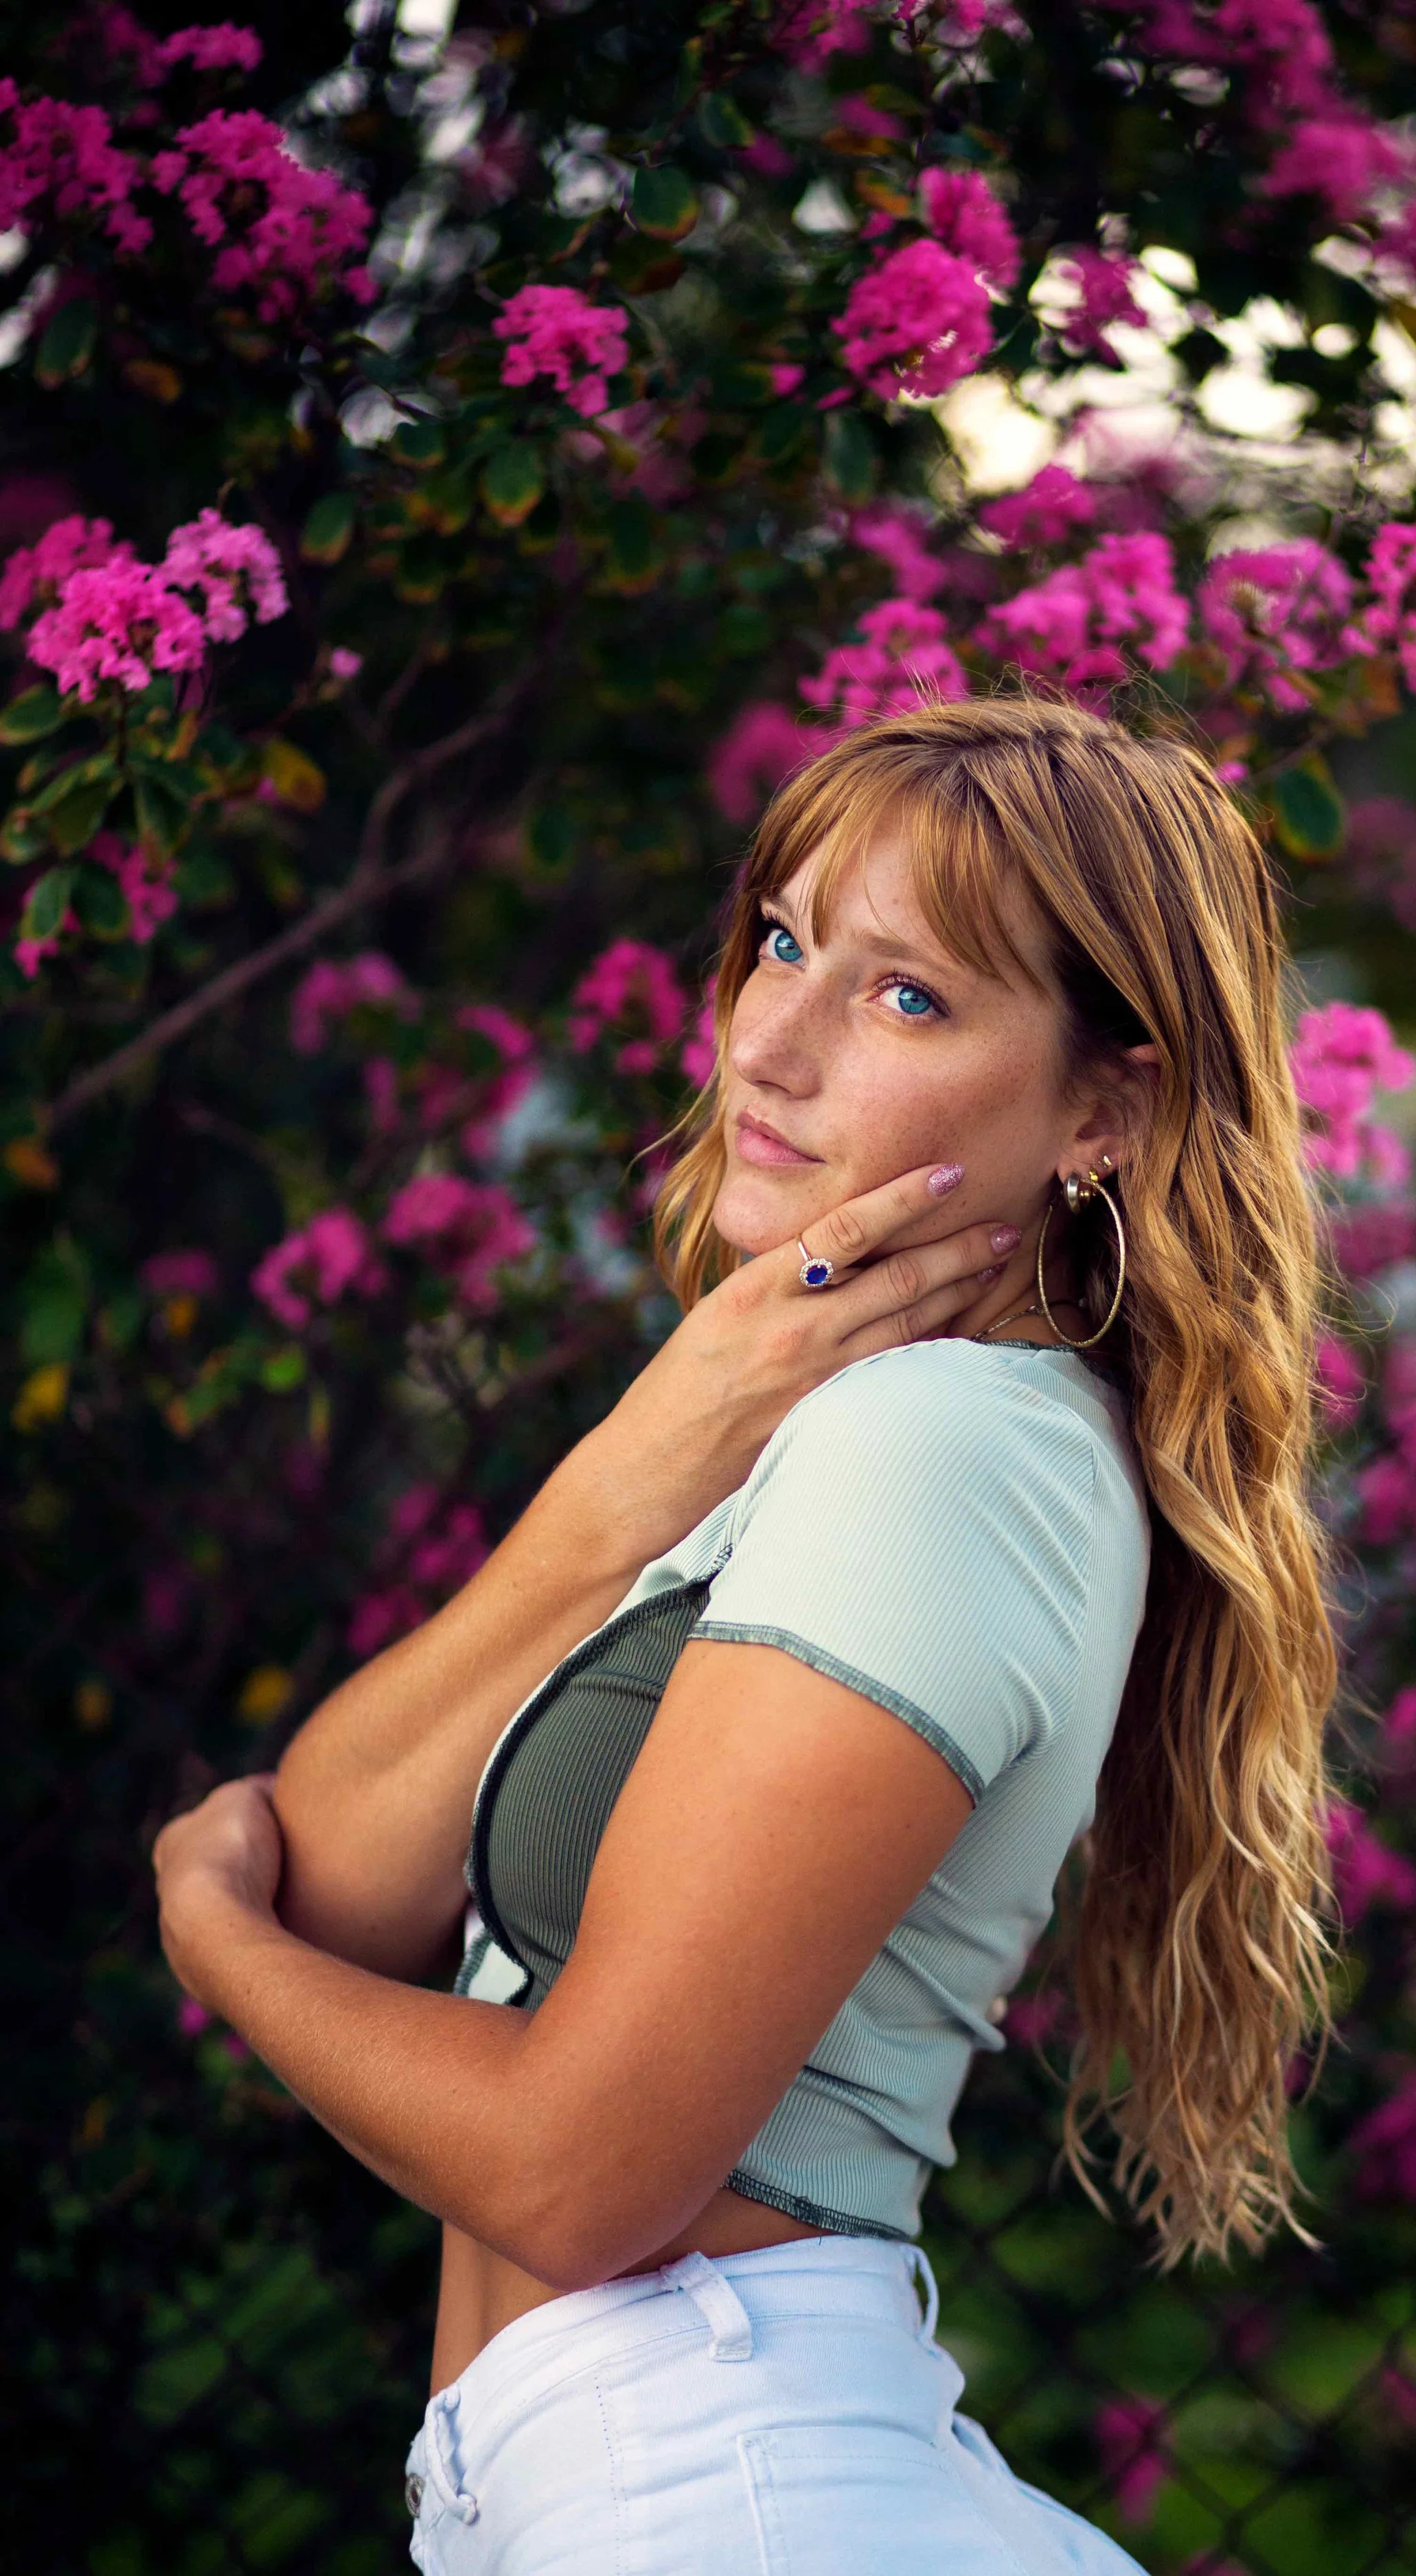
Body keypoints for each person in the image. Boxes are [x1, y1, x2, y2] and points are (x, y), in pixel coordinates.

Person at [154, 691, 1339, 2573]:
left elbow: (579, 2171)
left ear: (1103, 1107)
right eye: (780, 940)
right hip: (625, 2474)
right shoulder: (817, 1415)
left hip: (718, 2481)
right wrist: (646, 1453)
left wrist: (206, 1934)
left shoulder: (939, 1442)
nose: (766, 1042)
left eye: (903, 995)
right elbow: (345, 1866)